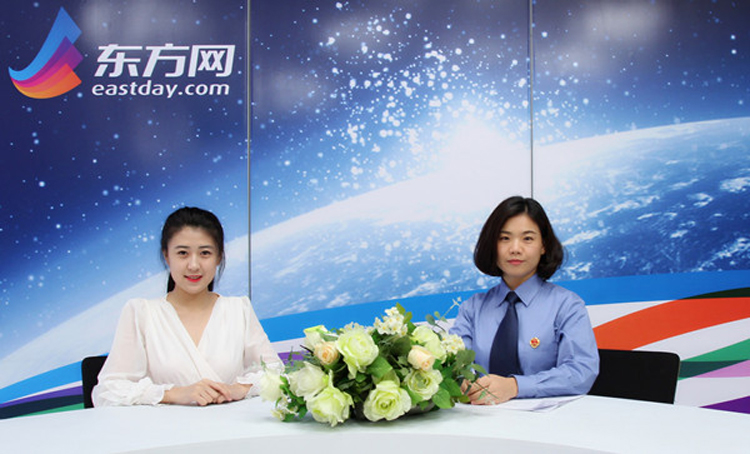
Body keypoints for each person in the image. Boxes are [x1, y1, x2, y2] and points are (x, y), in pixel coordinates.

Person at [93, 207, 281, 406]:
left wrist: (238, 389)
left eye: (205, 253)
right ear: (167, 256)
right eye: (182, 253)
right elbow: (108, 391)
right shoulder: (141, 312)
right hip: (166, 426)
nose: (193, 265)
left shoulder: (238, 309)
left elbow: (276, 373)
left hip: (231, 423)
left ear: (219, 257)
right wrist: (175, 394)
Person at [450, 196, 599, 405]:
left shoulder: (567, 306)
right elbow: (452, 361)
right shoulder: (472, 308)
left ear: (543, 245)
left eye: (527, 239)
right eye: (504, 238)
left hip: (545, 421)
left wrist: (515, 386)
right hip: (478, 416)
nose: (515, 248)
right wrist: (462, 381)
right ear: (492, 245)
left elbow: (581, 372)